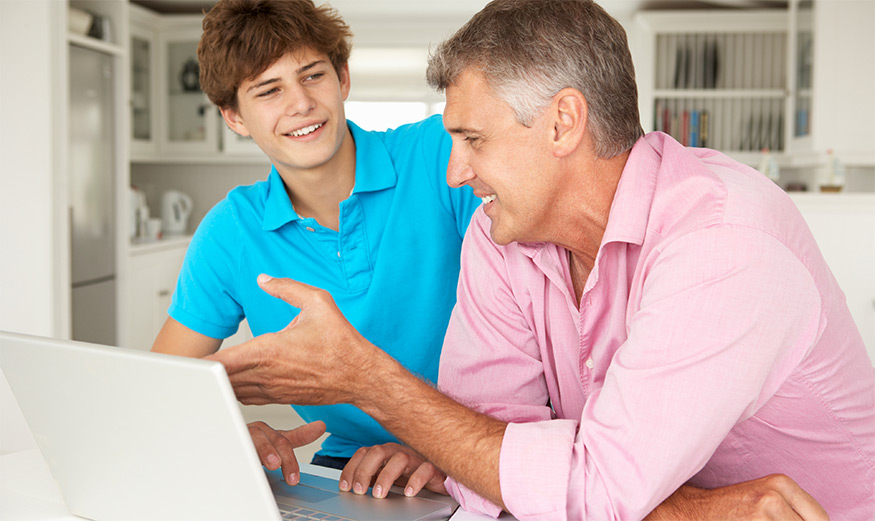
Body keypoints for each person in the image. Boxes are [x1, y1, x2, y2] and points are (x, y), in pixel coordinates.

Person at [208, 0, 875, 520]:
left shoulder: (722, 241)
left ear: (562, 123)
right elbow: (485, 450)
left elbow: (578, 485)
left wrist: (368, 379)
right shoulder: (501, 238)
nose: (456, 172)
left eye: (473, 139)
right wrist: (685, 509)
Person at [151, 0, 480, 479]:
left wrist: (446, 453)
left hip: (482, 444)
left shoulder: (441, 153)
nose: (300, 103)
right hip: (349, 464)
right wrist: (226, 434)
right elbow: (160, 389)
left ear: (342, 78)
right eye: (269, 90)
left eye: (312, 76)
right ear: (234, 117)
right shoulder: (231, 231)